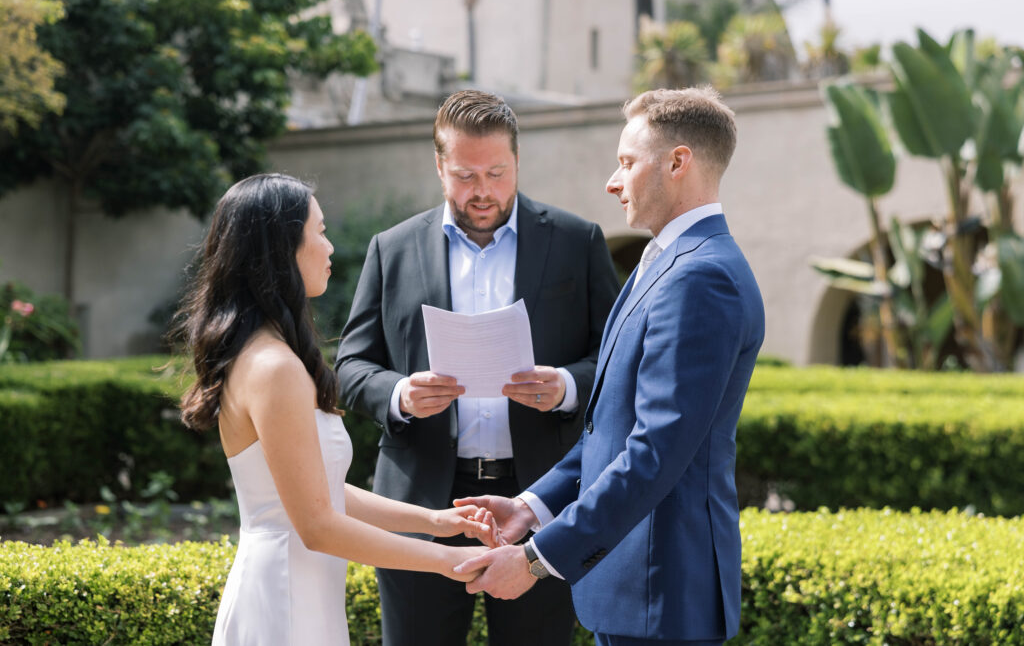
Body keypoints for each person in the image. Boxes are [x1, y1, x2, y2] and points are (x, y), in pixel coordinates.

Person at [454, 86, 766, 646]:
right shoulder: (664, 262)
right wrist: (533, 505)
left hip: (662, 593)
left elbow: (654, 453)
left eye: (626, 162)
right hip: (633, 592)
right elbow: (611, 426)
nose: (612, 181)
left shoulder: (701, 277)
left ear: (678, 163)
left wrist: (533, 561)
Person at [335, 89, 620, 646]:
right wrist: (399, 395)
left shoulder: (576, 241)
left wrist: (565, 386)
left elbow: (614, 362)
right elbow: (350, 365)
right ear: (440, 167)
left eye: (497, 172)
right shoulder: (391, 249)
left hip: (538, 499)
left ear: (517, 161)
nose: (483, 190)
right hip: (419, 502)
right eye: (466, 175)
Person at [174, 173, 498, 646]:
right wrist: (448, 561)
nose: (330, 248)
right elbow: (318, 525)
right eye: (319, 231)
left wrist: (433, 522)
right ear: (282, 248)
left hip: (300, 588)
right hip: (284, 599)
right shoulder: (273, 367)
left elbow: (320, 493)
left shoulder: (268, 354)